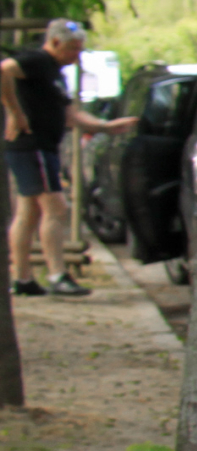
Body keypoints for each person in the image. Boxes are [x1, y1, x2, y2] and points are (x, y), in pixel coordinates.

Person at [3, 19, 136, 297]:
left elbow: (70, 114)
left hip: (45, 146)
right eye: (73, 49)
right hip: (32, 145)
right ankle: (58, 275)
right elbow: (4, 69)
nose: (76, 56)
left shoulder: (54, 73)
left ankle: (23, 278)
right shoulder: (37, 61)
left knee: (29, 212)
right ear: (54, 43)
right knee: (57, 208)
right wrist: (15, 113)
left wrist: (104, 126)